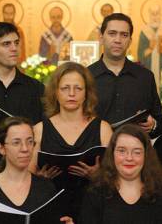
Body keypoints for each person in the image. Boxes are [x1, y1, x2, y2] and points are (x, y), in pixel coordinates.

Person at [29, 61, 113, 220]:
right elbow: (26, 176)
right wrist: (40, 180)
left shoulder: (103, 129)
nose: (72, 93)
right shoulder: (39, 129)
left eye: (78, 88)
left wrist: (98, 175)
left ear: (87, 93)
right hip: (49, 208)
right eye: (65, 88)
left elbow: (116, 177)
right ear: (55, 92)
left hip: (93, 209)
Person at [0, 116, 73, 224]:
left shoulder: (46, 188)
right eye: (16, 142)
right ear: (1, 148)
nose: (25, 149)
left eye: (29, 142)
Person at [79, 124, 162, 224]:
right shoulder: (95, 194)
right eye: (122, 151)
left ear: (146, 156)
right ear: (112, 154)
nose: (129, 158)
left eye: (137, 152)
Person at [88, 13, 162, 138]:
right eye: (112, 33)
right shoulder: (86, 77)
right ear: (101, 38)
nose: (118, 40)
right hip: (97, 153)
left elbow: (160, 123)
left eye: (124, 35)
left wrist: (153, 125)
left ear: (130, 41)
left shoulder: (145, 77)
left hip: (134, 152)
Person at [137, 4, 162, 99]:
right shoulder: (144, 32)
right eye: (153, 14)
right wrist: (150, 49)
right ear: (149, 15)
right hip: (148, 67)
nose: (155, 16)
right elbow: (140, 55)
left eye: (157, 13)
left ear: (161, 15)